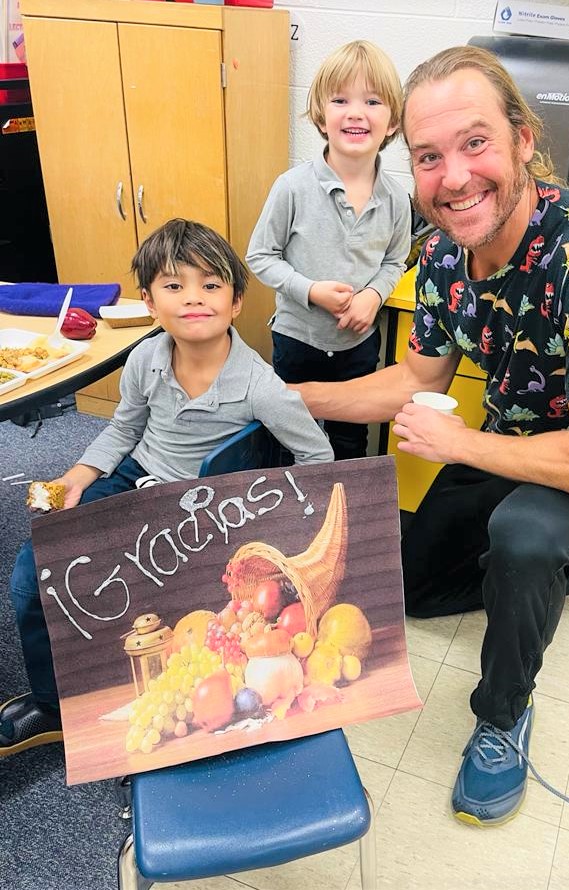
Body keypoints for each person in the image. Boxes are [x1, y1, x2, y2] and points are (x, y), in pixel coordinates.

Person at [296, 46, 569, 827]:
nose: (454, 177)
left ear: (521, 141)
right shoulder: (440, 256)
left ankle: (502, 718)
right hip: (511, 444)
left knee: (523, 537)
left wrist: (462, 446)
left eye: (474, 144)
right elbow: (416, 380)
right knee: (417, 587)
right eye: (429, 157)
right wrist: (286, 396)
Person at [1, 218, 333, 757]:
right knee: (30, 574)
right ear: (150, 303)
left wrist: (272, 521)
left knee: (144, 600)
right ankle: (50, 704)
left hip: (200, 513)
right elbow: (125, 428)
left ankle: (134, 704)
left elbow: (316, 458)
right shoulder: (143, 359)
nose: (193, 299)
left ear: (237, 301)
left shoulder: (261, 387)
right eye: (174, 286)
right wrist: (81, 475)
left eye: (210, 284)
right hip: (136, 480)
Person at [246, 40, 411, 460]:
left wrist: (373, 296)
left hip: (357, 345)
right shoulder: (292, 187)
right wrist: (310, 290)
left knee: (350, 441)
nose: (356, 112)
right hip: (296, 338)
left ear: (392, 122)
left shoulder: (396, 199)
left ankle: (347, 514)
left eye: (372, 101)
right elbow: (260, 256)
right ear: (321, 115)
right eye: (341, 100)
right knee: (288, 432)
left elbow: (394, 261)